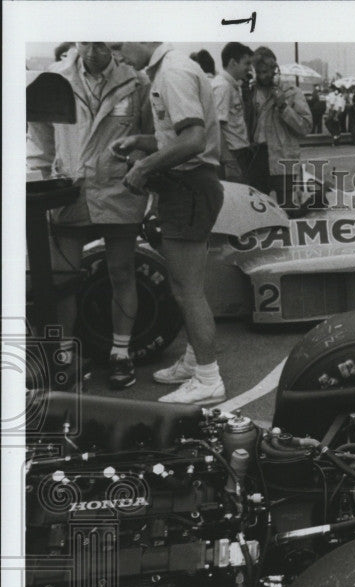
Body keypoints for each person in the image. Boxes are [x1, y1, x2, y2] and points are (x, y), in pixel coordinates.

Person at [27, 41, 151, 390]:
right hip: (70, 192)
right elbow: (39, 142)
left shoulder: (137, 81)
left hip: (119, 190)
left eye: (101, 44)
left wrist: (141, 164)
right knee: (61, 277)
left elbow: (151, 136)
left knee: (122, 272)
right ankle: (61, 356)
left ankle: (121, 354)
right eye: (87, 44)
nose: (94, 52)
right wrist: (38, 181)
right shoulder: (52, 79)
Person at [112, 42, 227, 406]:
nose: (118, 56)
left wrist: (145, 165)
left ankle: (208, 378)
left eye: (117, 46)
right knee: (185, 285)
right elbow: (179, 134)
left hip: (189, 186)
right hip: (189, 187)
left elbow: (194, 140)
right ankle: (196, 362)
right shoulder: (171, 68)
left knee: (188, 290)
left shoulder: (173, 72)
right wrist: (142, 141)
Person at [245, 46, 312, 206]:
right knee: (257, 209)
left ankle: (316, 200)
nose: (263, 76)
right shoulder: (250, 92)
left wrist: (284, 108)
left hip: (283, 158)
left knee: (288, 208)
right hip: (256, 157)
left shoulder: (291, 91)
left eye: (267, 71)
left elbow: (306, 126)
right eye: (259, 72)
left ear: (275, 69)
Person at [211, 41, 254, 182]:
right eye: (246, 63)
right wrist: (229, 160)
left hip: (238, 151)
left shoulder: (232, 85)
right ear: (233, 63)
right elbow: (217, 126)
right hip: (233, 154)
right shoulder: (223, 87)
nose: (249, 68)